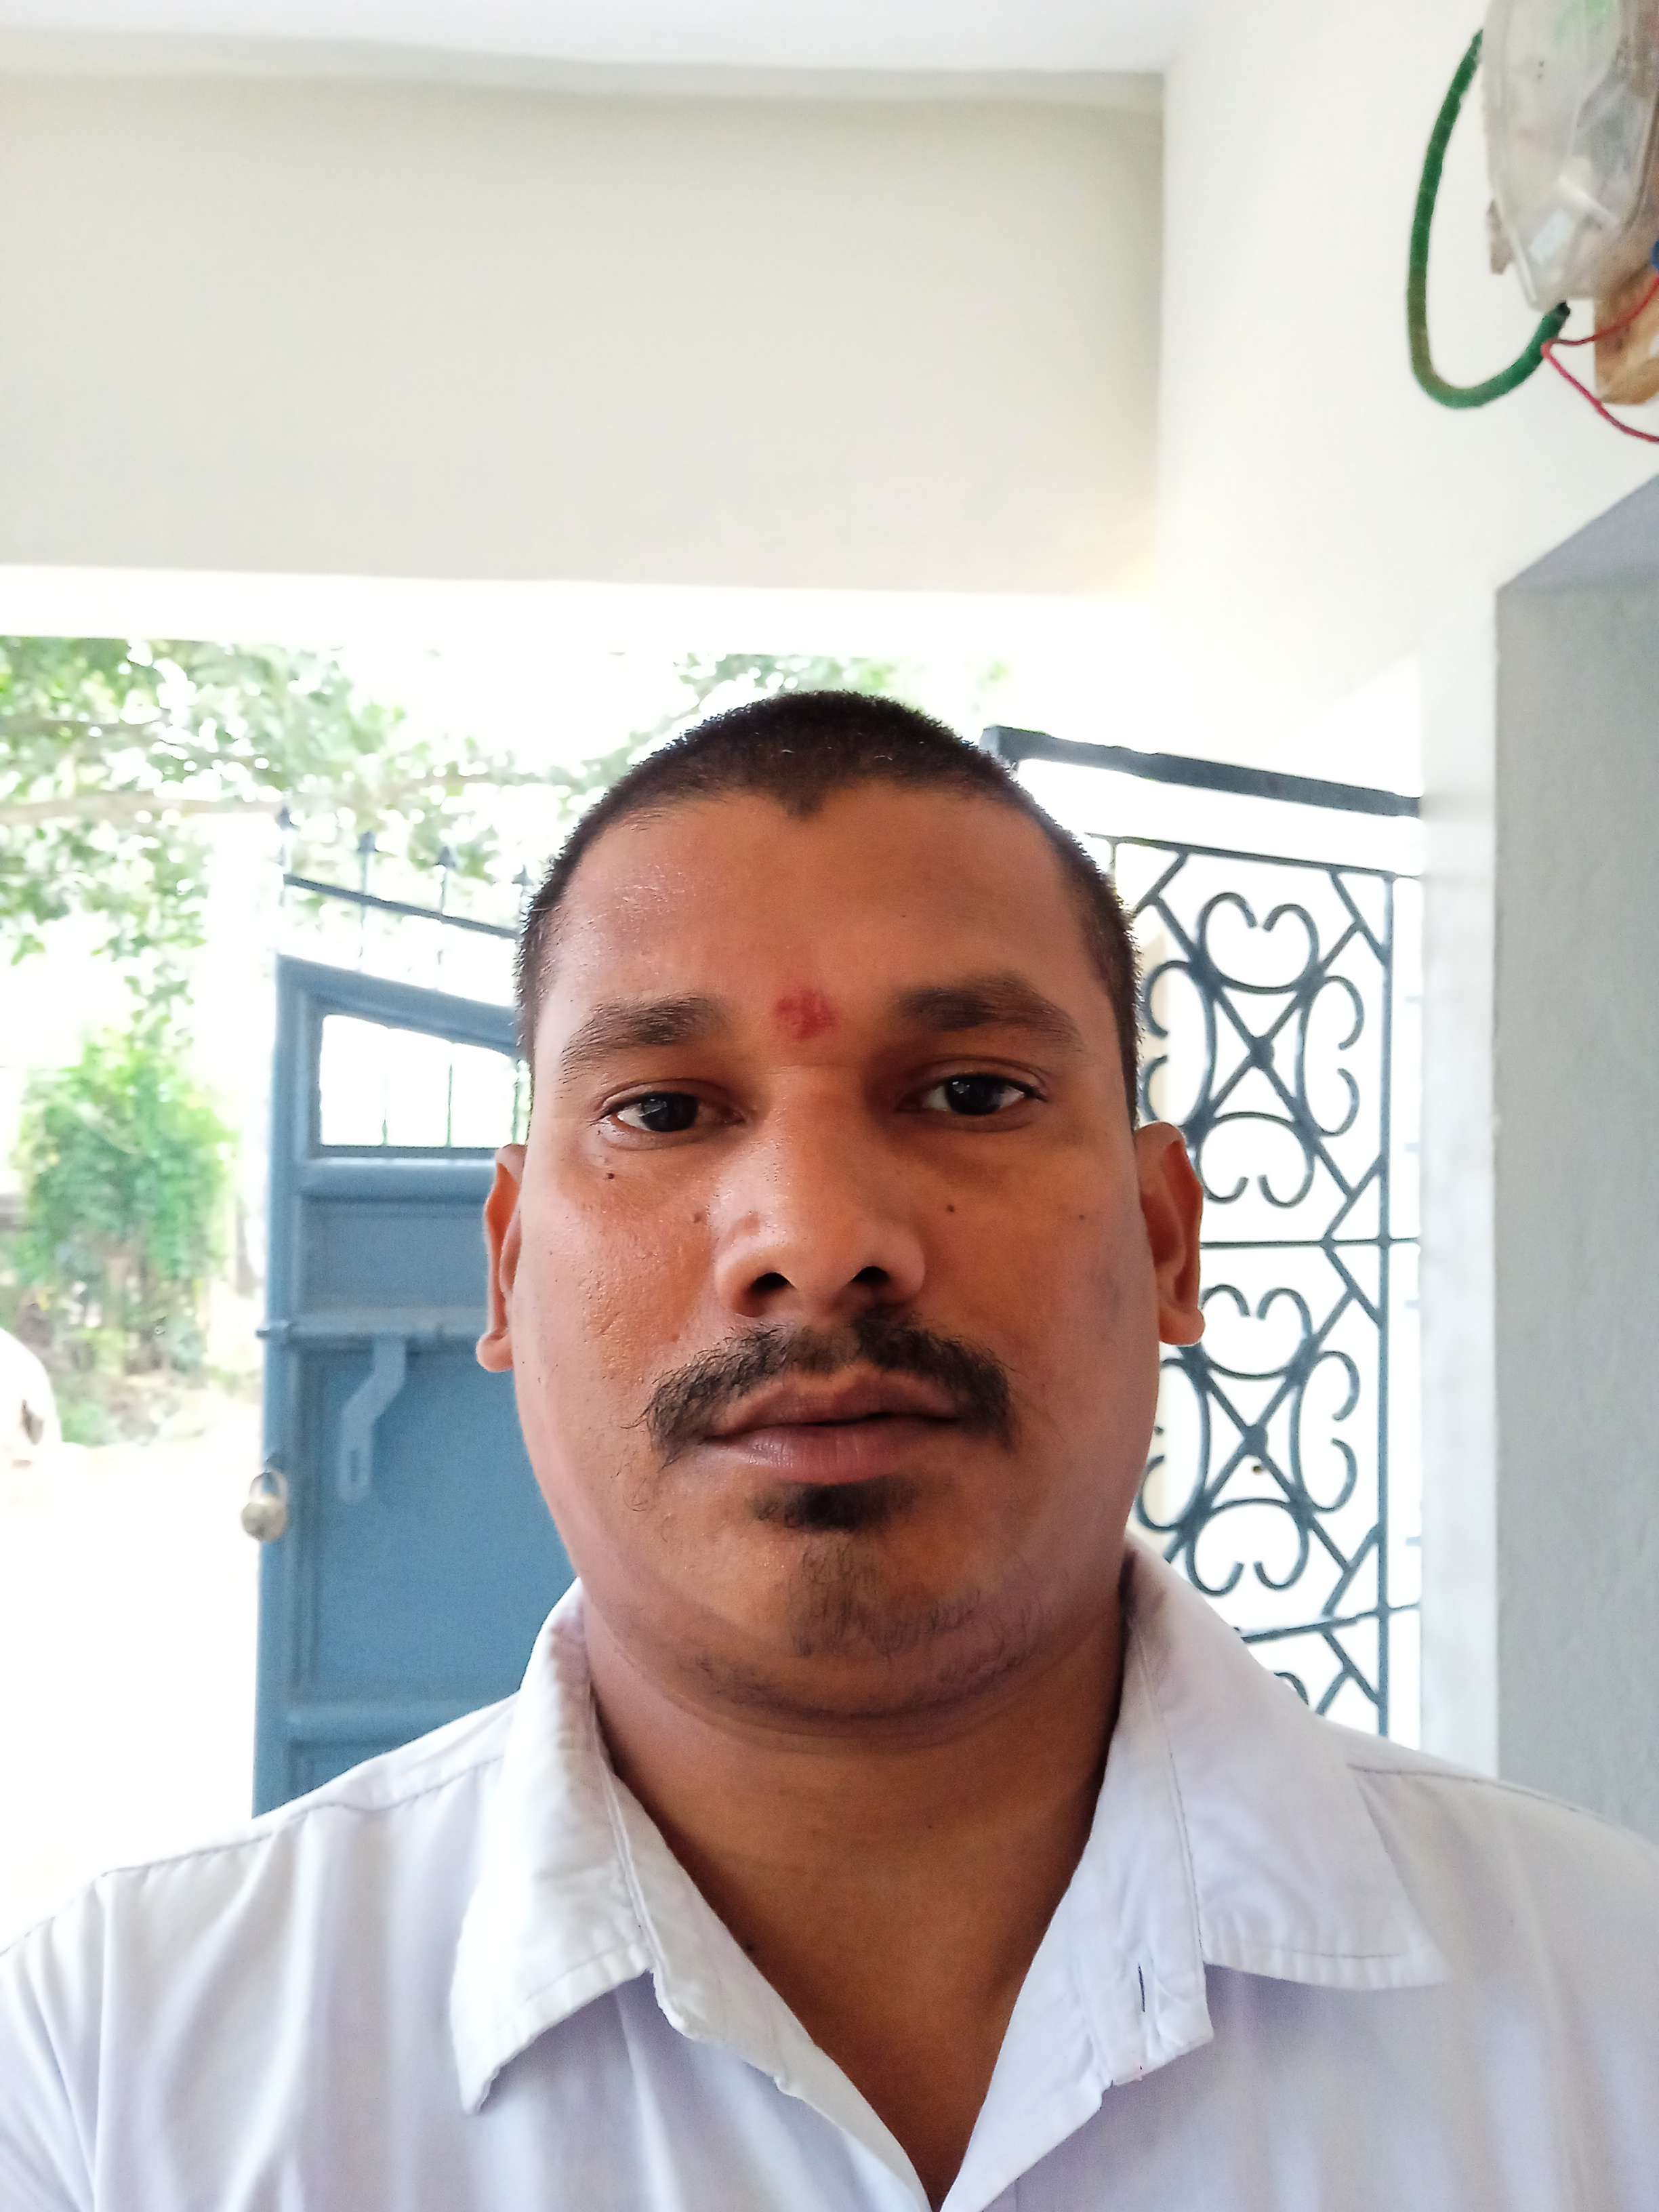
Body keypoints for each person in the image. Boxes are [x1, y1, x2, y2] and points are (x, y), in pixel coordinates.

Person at [1, 694, 1656, 2212]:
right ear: (506, 1270)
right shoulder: (118, 2069)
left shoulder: (1614, 2008)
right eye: (663, 1110)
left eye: (972, 1092)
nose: (813, 1237)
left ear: (1166, 1239)